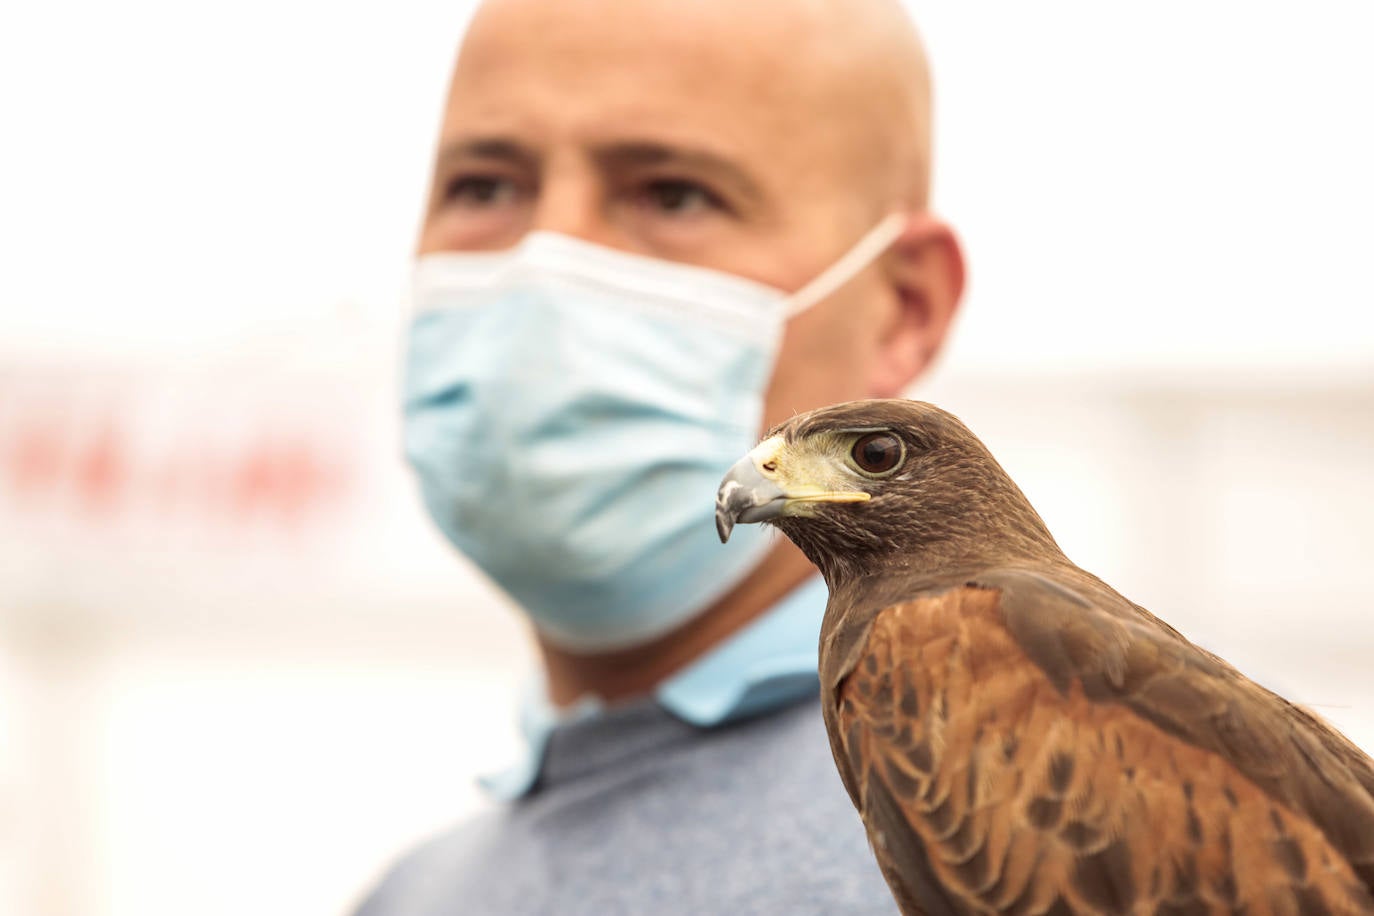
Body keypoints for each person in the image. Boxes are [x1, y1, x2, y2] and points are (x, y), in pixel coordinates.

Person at [358, 0, 965, 912]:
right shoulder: (418, 894)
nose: (546, 265)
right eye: (485, 186)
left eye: (673, 194)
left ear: (904, 306)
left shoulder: (1076, 832)